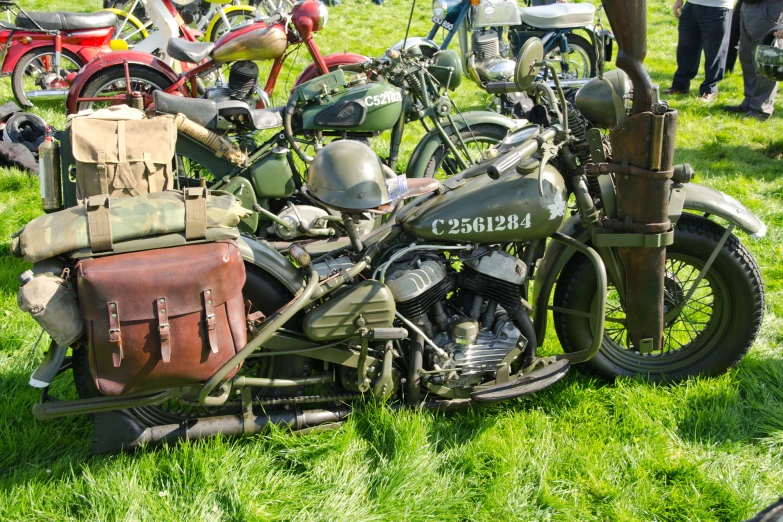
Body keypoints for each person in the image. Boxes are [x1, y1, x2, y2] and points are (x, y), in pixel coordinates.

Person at [724, 0, 783, 121]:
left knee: (766, 61)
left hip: (770, 8)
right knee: (747, 58)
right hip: (747, 6)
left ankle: (761, 109)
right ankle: (750, 102)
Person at [664, 0, 734, 102]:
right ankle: (680, 85)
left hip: (717, 7)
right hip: (691, 5)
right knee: (686, 49)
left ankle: (710, 90)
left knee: (714, 51)